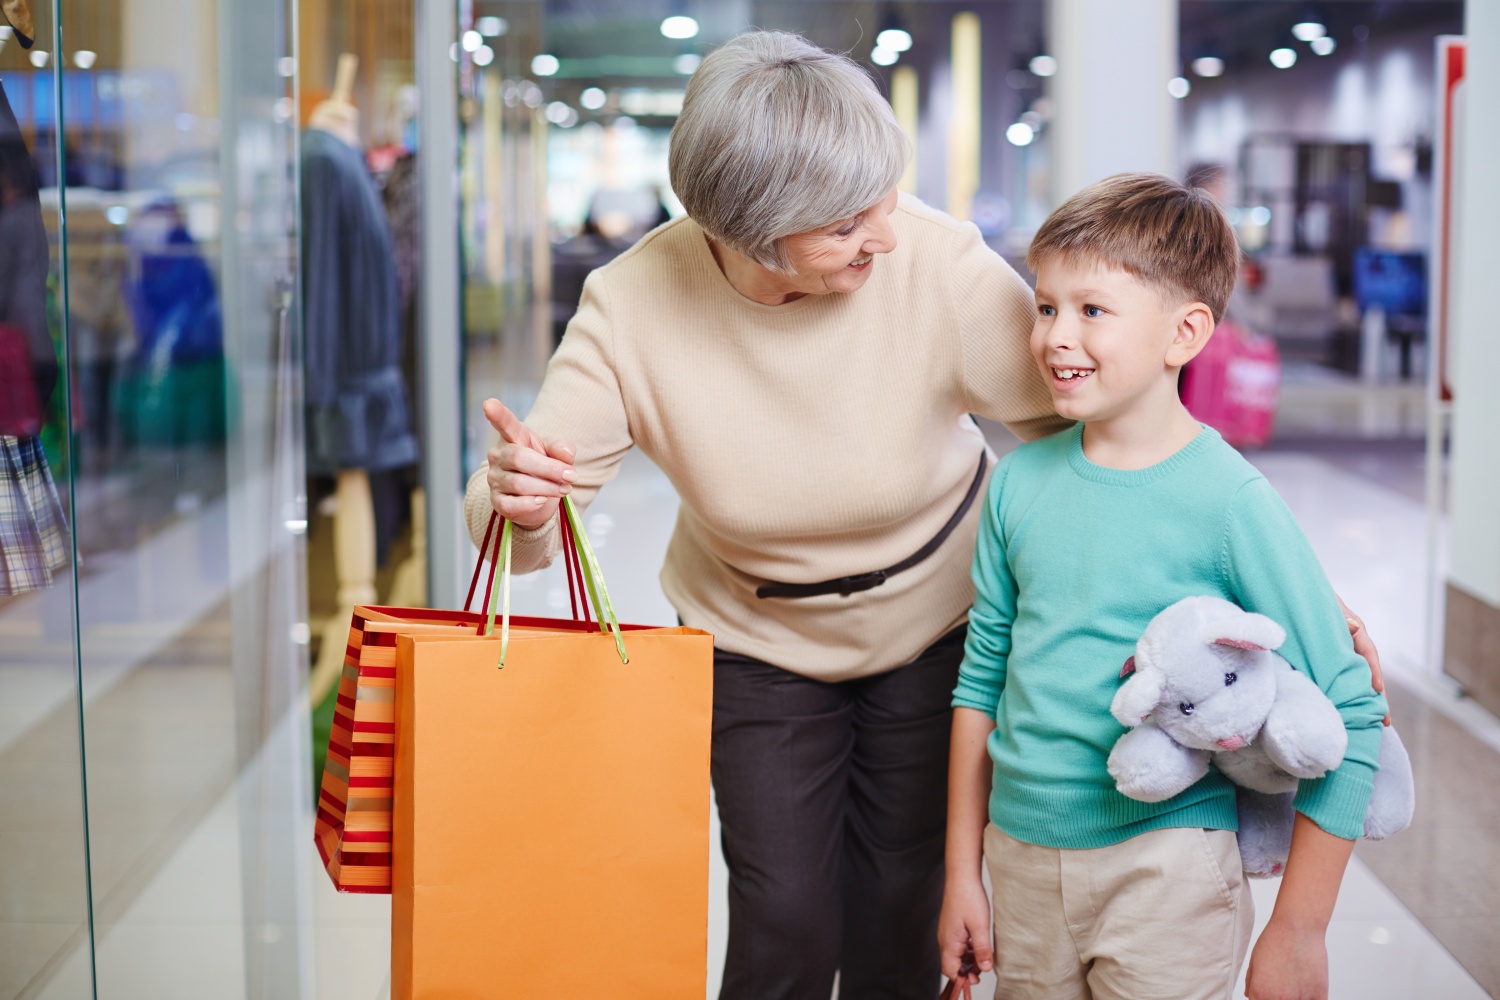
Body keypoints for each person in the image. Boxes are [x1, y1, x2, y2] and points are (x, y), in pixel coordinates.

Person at [468, 33, 1386, 998]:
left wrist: (1295, 594)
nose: (887, 233)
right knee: (783, 912)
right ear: (750, 229)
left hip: (937, 626)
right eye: (848, 222)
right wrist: (521, 501)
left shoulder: (935, 262)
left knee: (901, 904)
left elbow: (1112, 438)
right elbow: (522, 510)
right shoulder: (634, 307)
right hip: (754, 635)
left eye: (885, 198)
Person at [937, 174, 1388, 1000]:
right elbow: (982, 680)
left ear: (1185, 333)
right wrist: (961, 873)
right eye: (1045, 307)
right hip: (1022, 866)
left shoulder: (1229, 500)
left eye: (1092, 310)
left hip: (1171, 868)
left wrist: (1299, 930)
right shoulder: (1016, 483)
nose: (1054, 337)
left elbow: (1352, 713)